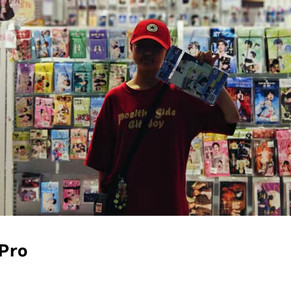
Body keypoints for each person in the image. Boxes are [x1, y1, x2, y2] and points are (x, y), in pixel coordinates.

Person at [86, 19, 239, 215]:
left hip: (170, 207)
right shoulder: (115, 99)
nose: (148, 53)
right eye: (142, 46)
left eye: (156, 47)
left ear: (167, 53)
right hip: (125, 208)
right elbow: (103, 162)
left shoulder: (181, 97)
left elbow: (231, 117)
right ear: (131, 48)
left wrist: (209, 76)